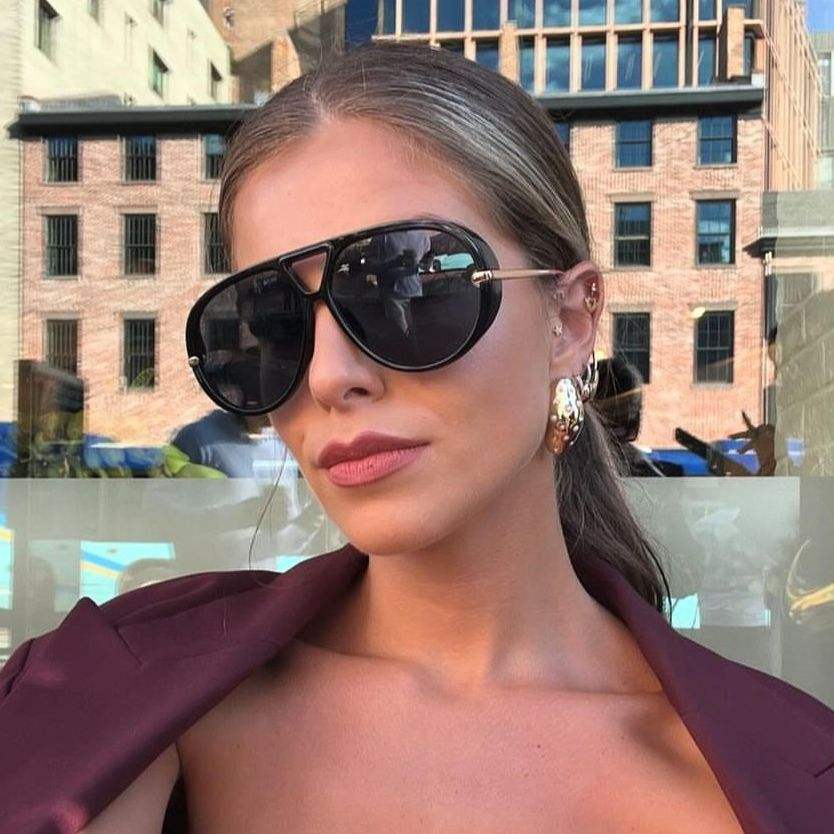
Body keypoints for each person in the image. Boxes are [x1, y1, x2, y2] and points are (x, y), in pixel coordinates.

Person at [3, 41, 834, 834]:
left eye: (409, 288)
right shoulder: (130, 707)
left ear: (570, 320)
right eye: (270, 323)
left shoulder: (784, 776)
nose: (329, 376)